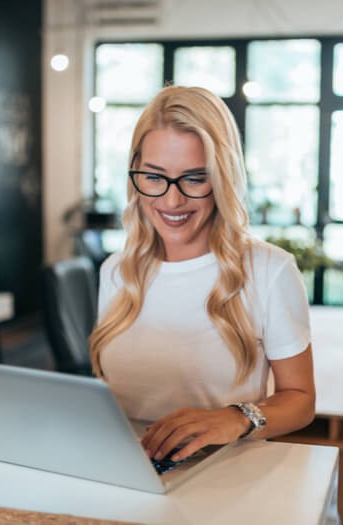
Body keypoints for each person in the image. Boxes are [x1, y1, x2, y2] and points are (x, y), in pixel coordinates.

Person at [89, 85, 315, 465]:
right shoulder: (116, 270)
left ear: (222, 179)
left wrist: (235, 418)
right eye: (154, 177)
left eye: (194, 178)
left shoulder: (269, 271)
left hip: (225, 473)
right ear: (135, 174)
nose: (172, 200)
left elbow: (301, 400)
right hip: (126, 470)